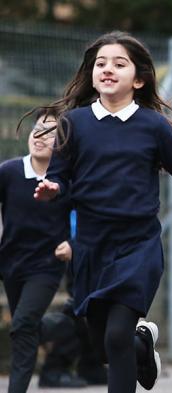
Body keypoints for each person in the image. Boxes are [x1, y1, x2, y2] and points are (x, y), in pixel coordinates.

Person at [29, 31, 172, 393]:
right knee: (102, 345)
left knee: (115, 337)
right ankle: (143, 343)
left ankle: (132, 338)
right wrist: (52, 189)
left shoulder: (152, 126)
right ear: (92, 74)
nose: (107, 69)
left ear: (138, 79)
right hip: (91, 248)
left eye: (119, 63)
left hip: (137, 246)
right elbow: (60, 179)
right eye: (100, 64)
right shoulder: (73, 123)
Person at [0, 110, 72, 392]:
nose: (39, 138)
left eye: (49, 134)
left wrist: (74, 244)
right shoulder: (9, 172)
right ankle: (67, 326)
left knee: (23, 325)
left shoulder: (68, 181)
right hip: (10, 263)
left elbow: (91, 217)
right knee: (24, 328)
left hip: (46, 265)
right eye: (36, 130)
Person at [38, 211, 108, 388]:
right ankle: (54, 367)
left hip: (96, 244)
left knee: (96, 306)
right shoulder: (69, 185)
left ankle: (90, 364)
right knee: (79, 306)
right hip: (74, 247)